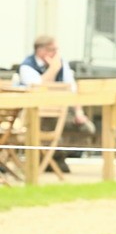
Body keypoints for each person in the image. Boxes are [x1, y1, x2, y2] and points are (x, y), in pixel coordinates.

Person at [17, 35, 92, 172]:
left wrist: (78, 112)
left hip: (62, 112)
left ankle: (56, 156)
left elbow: (72, 89)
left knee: (87, 128)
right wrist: (53, 69)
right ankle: (51, 159)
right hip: (35, 115)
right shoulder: (27, 67)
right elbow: (38, 88)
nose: (56, 54)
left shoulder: (62, 64)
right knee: (46, 123)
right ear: (41, 50)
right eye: (53, 50)